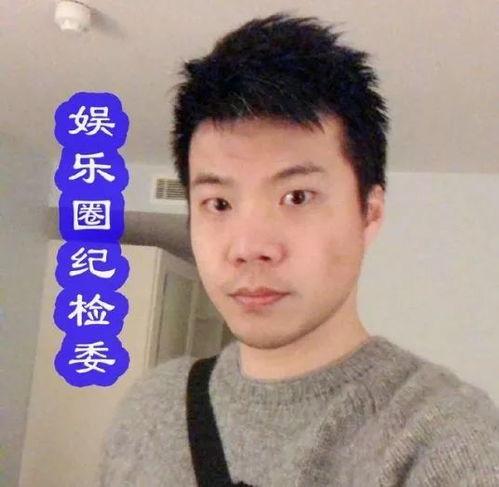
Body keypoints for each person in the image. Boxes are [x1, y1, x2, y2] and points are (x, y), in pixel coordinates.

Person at [98, 12, 499, 486]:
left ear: (369, 214)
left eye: (297, 197)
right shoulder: (150, 410)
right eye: (219, 203)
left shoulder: (446, 439)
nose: (249, 248)